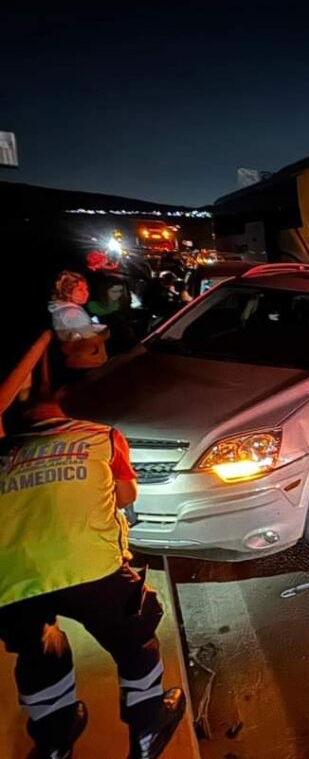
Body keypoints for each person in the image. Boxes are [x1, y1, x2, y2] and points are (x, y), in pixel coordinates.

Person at [0, 399, 186, 759]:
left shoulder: (5, 451)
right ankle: (148, 728)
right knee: (135, 633)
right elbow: (127, 495)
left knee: (39, 648)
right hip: (92, 567)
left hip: (12, 578)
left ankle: (55, 742)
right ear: (62, 413)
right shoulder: (102, 437)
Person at [48, 271, 110, 377]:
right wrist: (106, 333)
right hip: (87, 365)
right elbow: (90, 337)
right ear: (67, 292)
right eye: (80, 290)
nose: (87, 293)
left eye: (86, 289)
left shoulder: (61, 310)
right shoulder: (72, 313)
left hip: (79, 363)